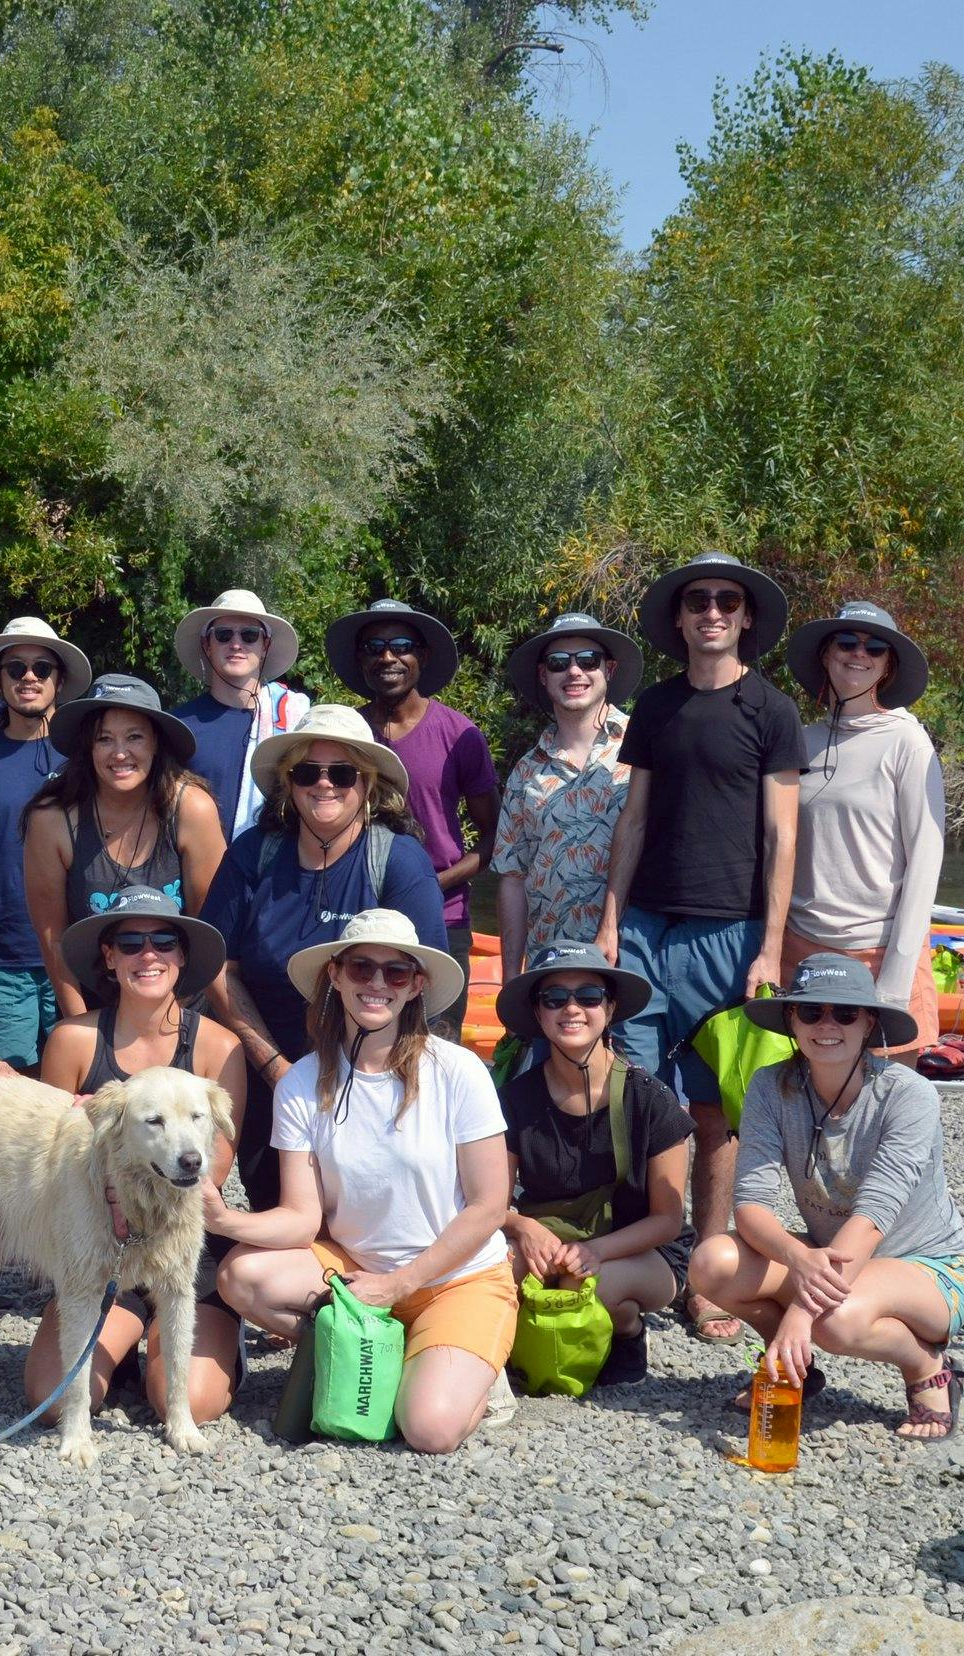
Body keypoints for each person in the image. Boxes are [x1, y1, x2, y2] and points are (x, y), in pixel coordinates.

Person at [213, 911, 516, 1453]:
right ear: (335, 975)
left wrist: (402, 1284)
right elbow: (303, 1217)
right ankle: (396, 1352)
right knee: (241, 1276)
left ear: (416, 985)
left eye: (396, 972)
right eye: (361, 967)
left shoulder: (458, 1070)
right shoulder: (302, 1082)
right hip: (356, 1269)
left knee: (430, 1431)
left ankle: (472, 1368)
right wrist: (224, 1218)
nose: (376, 983)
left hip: (457, 1277)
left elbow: (490, 1205)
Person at [595, 550, 801, 1345]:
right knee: (637, 1095)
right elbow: (634, 819)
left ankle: (707, 1273)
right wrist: (612, 919)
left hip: (732, 930)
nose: (711, 612)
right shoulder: (656, 706)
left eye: (726, 601)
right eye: (696, 602)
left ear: (745, 617)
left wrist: (771, 947)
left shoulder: (770, 711)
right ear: (678, 621)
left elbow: (784, 833)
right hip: (647, 922)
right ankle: (646, 1258)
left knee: (718, 1111)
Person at [690, 955, 964, 1439]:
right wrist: (795, 1258)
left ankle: (926, 1367)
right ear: (791, 1020)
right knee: (710, 1263)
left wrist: (802, 1311)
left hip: (926, 1265)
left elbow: (874, 1216)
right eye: (811, 1012)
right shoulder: (769, 1085)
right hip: (833, 1260)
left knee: (833, 1320)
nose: (827, 1025)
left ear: (868, 1023)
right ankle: (791, 1364)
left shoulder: (909, 1094)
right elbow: (751, 1205)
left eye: (845, 1014)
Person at [11, 887, 248, 1426]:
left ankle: (186, 1338)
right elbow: (55, 1161)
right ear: (109, 956)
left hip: (180, 1238)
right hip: (102, 1239)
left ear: (182, 956)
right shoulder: (72, 1040)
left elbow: (209, 1171)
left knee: (194, 1403)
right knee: (50, 1399)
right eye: (130, 942)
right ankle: (119, 1341)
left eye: (164, 941)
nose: (149, 954)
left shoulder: (217, 1047)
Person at [199, 703, 447, 1206]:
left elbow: (429, 984)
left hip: (373, 1070)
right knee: (277, 1208)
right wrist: (277, 1069)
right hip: (268, 1063)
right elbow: (219, 968)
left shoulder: (398, 862)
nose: (324, 784)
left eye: (343, 772)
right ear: (289, 783)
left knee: (367, 1211)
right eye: (309, 771)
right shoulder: (254, 854)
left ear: (369, 784)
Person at [492, 942, 693, 1385]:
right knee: (487, 1276)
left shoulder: (652, 1099)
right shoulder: (512, 1098)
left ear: (610, 1007)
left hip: (643, 1249)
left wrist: (595, 1250)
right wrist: (526, 1228)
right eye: (554, 998)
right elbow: (492, 1204)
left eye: (588, 996)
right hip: (551, 1238)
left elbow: (667, 1219)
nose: (572, 1009)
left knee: (587, 1286)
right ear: (538, 1013)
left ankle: (625, 1330)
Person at [784, 602, 946, 1052]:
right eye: (847, 642)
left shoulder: (908, 742)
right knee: (804, 1105)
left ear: (888, 664)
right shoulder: (802, 739)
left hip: (878, 952)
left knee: (886, 1107)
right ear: (825, 654)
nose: (860, 653)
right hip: (799, 949)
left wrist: (895, 982)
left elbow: (926, 859)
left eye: (875, 647)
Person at [21, 675, 225, 1021]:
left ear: (156, 743)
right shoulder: (53, 820)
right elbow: (53, 940)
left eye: (134, 737)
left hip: (182, 1009)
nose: (120, 753)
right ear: (88, 746)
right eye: (104, 739)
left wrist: (169, 1023)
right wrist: (82, 1029)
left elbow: (211, 931)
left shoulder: (192, 808)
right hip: (94, 1011)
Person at [0, 617, 92, 1070]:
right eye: (15, 668)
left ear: (59, 680)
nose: (28, 677)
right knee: (11, 1084)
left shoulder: (86, 762)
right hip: (1, 955)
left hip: (77, 953)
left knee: (80, 1083)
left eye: (41, 668)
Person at [328, 600, 498, 965]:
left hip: (442, 914)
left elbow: (494, 837)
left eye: (402, 646)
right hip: (354, 912)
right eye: (375, 647)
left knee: (440, 1024)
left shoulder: (460, 735)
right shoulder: (344, 735)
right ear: (361, 659)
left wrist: (433, 884)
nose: (388, 656)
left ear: (422, 655)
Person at [491, 612, 639, 979]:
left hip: (632, 959)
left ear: (610, 669)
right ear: (544, 676)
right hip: (550, 968)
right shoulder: (526, 771)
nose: (574, 672)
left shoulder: (645, 750)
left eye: (588, 660)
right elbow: (512, 878)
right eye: (559, 663)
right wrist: (512, 976)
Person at [168, 590, 310, 838]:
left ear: (265, 645)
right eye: (223, 635)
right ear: (207, 645)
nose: (236, 644)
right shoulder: (178, 727)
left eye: (249, 635)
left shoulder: (296, 721)